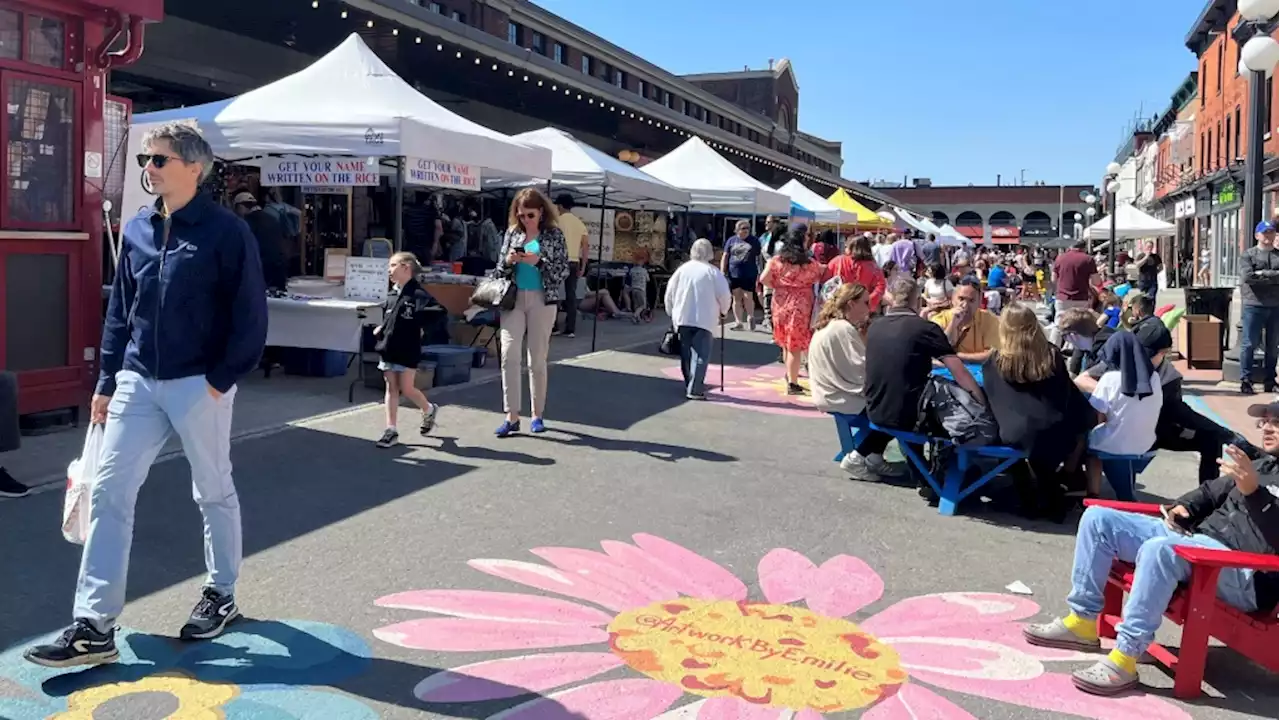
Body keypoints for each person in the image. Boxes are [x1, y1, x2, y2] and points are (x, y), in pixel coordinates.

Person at [25, 123, 268, 668]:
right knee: (111, 491)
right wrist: (107, 381)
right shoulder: (136, 228)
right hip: (137, 378)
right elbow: (120, 312)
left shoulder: (228, 234)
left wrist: (220, 378)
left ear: (194, 168)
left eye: (159, 159)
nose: (149, 167)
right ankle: (94, 624)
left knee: (212, 489)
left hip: (198, 381)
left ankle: (221, 592)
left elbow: (250, 316)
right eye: (146, 158)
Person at [1023, 400, 1280, 696]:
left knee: (1162, 549)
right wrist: (1185, 505)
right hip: (1201, 543)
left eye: (1276, 422)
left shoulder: (1254, 476)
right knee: (1099, 519)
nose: (1267, 427)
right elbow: (1210, 492)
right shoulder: (1261, 465)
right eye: (1266, 421)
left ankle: (1125, 658)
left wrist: (1254, 494)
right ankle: (1082, 620)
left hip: (1247, 573)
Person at [866, 276, 984, 497]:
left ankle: (923, 474)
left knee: (916, 398)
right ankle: (943, 473)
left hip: (875, 409)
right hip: (908, 416)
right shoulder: (924, 328)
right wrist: (980, 399)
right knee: (950, 410)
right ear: (917, 300)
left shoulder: (875, 326)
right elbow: (958, 371)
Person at [982, 304, 1095, 520]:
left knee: (1015, 443)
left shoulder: (996, 361)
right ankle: (1052, 496)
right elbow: (1066, 397)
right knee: (1047, 445)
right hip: (1054, 428)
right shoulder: (1052, 355)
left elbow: (993, 401)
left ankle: (1027, 497)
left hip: (1015, 432)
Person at [809, 283, 906, 482]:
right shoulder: (842, 328)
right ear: (851, 304)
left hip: (831, 393)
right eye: (865, 302)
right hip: (840, 397)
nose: (869, 307)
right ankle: (858, 457)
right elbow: (864, 367)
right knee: (897, 413)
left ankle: (874, 456)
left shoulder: (833, 325)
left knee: (893, 404)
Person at [493, 189, 569, 438]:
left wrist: (538, 262)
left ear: (542, 212)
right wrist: (509, 261)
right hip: (514, 297)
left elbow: (562, 271)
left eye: (530, 215)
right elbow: (499, 270)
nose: (525, 219)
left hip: (542, 299)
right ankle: (511, 415)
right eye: (521, 214)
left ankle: (537, 415)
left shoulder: (554, 235)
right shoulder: (513, 232)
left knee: (536, 358)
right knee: (508, 354)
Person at [372, 252, 442, 448]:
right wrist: (382, 328)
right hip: (388, 346)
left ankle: (428, 409)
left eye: (393, 265)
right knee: (391, 387)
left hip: (408, 348)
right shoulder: (392, 294)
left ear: (406, 268)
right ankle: (391, 429)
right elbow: (389, 315)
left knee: (407, 388)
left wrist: (419, 324)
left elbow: (438, 312)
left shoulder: (418, 294)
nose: (389, 270)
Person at [1082, 332, 1165, 497]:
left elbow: (1097, 416)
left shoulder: (1109, 378)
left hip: (1117, 446)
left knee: (1088, 446)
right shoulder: (1154, 377)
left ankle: (1093, 494)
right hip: (1146, 444)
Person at [761, 225, 827, 394]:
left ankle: (789, 375)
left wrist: (778, 285)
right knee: (795, 345)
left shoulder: (776, 261)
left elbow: (764, 279)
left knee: (785, 342)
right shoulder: (809, 264)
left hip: (780, 302)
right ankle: (793, 382)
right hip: (801, 304)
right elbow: (821, 273)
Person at [665, 239, 732, 399]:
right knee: (701, 355)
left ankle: (690, 381)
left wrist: (671, 312)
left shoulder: (682, 270)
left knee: (686, 353)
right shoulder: (713, 272)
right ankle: (695, 388)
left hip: (683, 317)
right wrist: (724, 311)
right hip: (705, 319)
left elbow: (669, 293)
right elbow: (724, 296)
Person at [1239, 220, 1280, 395]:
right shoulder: (1247, 255)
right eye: (1265, 233)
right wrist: (1274, 277)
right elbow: (1248, 277)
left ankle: (1270, 380)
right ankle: (1246, 380)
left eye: (1271, 232)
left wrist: (1262, 273)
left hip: (1276, 305)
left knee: (1273, 346)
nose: (1268, 236)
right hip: (1253, 305)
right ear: (1257, 235)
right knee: (1249, 344)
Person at [930, 277, 1000, 364]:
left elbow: (992, 355)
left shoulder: (989, 319)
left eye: (971, 300)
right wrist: (953, 324)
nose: (965, 305)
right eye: (961, 299)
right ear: (953, 299)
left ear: (979, 301)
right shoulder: (940, 319)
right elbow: (936, 351)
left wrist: (958, 357)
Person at [232, 192, 287, 292]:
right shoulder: (272, 219)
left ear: (241, 206)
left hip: (260, 270)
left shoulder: (246, 223)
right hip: (279, 268)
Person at [552, 195, 589, 338]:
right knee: (571, 295)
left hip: (558, 261)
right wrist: (583, 265)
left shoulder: (556, 222)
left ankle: (554, 325)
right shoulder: (579, 223)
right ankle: (570, 328)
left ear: (560, 206)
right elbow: (585, 246)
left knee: (554, 293)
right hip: (574, 261)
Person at [823, 235, 886, 312]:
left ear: (850, 247)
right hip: (862, 310)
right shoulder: (873, 267)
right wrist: (867, 302)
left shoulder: (837, 261)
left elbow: (825, 281)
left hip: (839, 306)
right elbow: (880, 287)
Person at [721, 219, 762, 330]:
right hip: (733, 273)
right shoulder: (731, 241)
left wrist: (760, 272)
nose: (746, 231)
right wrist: (722, 271)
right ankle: (738, 321)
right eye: (743, 228)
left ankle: (750, 317)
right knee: (736, 297)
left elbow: (759, 258)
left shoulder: (754, 241)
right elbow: (725, 256)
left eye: (748, 228)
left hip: (749, 273)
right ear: (737, 230)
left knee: (748, 296)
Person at [758, 216, 783, 330]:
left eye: (769, 222)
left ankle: (778, 325)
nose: (766, 225)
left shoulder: (783, 238)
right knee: (767, 297)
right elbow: (760, 254)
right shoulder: (764, 237)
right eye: (766, 222)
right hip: (768, 268)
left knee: (778, 299)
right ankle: (770, 322)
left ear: (776, 223)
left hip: (781, 271)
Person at [404, 192, 443, 264]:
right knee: (425, 271)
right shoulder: (430, 210)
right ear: (427, 199)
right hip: (425, 248)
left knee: (411, 271)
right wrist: (436, 244)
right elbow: (438, 227)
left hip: (410, 246)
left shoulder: (408, 211)